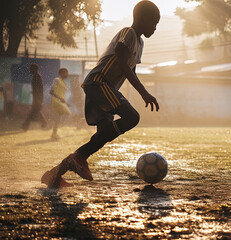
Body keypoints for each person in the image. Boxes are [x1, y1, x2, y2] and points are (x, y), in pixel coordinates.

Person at [41, 0, 160, 188]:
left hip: (102, 88)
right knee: (132, 117)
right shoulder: (128, 33)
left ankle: (55, 174)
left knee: (102, 137)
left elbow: (131, 70)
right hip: (99, 82)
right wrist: (144, 93)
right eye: (154, 22)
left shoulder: (140, 43)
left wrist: (142, 91)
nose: (155, 28)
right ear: (142, 19)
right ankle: (77, 157)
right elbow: (121, 62)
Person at [22, 63, 48, 131]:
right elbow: (38, 89)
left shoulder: (37, 77)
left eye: (31, 69)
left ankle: (25, 126)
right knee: (35, 111)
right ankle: (43, 122)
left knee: (34, 112)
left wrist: (39, 100)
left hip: (37, 99)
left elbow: (39, 90)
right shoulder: (36, 76)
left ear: (34, 69)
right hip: (37, 98)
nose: (30, 70)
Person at [50, 68, 72, 139]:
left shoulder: (64, 83)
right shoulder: (57, 80)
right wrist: (60, 99)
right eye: (66, 73)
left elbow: (62, 95)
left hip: (61, 103)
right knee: (66, 115)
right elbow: (51, 91)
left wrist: (66, 103)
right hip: (56, 102)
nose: (67, 74)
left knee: (62, 116)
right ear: (61, 73)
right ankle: (55, 130)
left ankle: (55, 132)